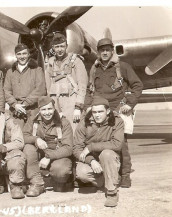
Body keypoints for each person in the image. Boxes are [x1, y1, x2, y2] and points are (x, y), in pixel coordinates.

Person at [87, 38, 143, 187]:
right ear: (98, 52)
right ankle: (107, 173)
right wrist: (87, 107)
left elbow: (137, 85)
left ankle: (125, 176)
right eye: (102, 50)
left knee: (121, 144)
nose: (104, 53)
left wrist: (130, 104)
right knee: (99, 142)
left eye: (107, 50)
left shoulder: (123, 67)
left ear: (112, 51)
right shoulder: (94, 69)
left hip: (118, 110)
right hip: (100, 113)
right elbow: (89, 91)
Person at [73, 96, 124, 207]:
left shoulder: (117, 121)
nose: (97, 115)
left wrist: (91, 147)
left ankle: (111, 192)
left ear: (108, 111)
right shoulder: (84, 123)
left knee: (106, 153)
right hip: (92, 160)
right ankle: (108, 179)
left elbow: (117, 144)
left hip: (109, 158)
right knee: (81, 173)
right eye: (94, 112)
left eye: (100, 111)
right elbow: (77, 148)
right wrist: (91, 161)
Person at [23, 96, 73, 196]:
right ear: (39, 110)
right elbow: (23, 137)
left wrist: (49, 157)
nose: (47, 113)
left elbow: (68, 148)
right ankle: (37, 183)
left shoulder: (64, 123)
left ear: (54, 109)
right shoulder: (33, 120)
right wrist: (36, 139)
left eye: (50, 109)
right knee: (28, 148)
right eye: (43, 109)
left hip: (58, 156)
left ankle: (59, 181)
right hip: (40, 155)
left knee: (61, 171)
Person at [45, 33, 88, 132]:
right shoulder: (50, 63)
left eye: (62, 46)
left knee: (73, 131)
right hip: (54, 102)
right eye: (57, 47)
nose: (59, 49)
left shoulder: (76, 61)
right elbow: (48, 86)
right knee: (57, 131)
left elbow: (82, 85)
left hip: (71, 102)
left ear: (66, 46)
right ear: (53, 47)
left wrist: (78, 107)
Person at [4, 43, 46, 129]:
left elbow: (41, 90)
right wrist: (15, 104)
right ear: (15, 55)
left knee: (32, 136)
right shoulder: (10, 72)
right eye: (19, 54)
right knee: (16, 136)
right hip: (15, 111)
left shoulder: (37, 70)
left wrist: (24, 104)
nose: (22, 56)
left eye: (24, 53)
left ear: (28, 54)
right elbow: (6, 91)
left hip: (32, 110)